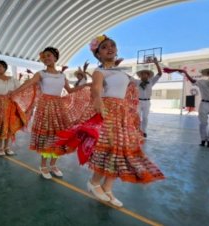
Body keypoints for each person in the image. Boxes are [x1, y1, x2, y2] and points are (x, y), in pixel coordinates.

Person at [68, 35, 164, 207]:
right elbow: (96, 88)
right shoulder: (100, 71)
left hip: (123, 114)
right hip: (108, 111)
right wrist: (97, 100)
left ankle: (108, 187)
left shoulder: (123, 73)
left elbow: (134, 88)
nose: (110, 48)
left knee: (122, 150)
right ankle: (94, 182)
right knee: (110, 148)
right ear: (98, 54)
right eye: (104, 47)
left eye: (112, 45)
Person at [11, 47, 90, 179]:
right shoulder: (41, 74)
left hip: (59, 107)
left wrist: (87, 85)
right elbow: (29, 83)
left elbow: (70, 91)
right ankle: (43, 165)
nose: (47, 58)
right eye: (44, 56)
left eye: (49, 55)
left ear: (55, 57)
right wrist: (15, 92)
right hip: (45, 107)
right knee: (47, 137)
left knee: (58, 136)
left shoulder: (62, 75)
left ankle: (53, 164)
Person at [176, 66, 209, 148]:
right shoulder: (203, 82)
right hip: (204, 104)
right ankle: (203, 139)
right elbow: (193, 81)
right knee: (203, 123)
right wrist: (185, 73)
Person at [134, 57, 162, 137]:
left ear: (148, 75)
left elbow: (159, 74)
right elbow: (129, 78)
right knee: (138, 117)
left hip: (147, 102)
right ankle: (137, 130)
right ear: (140, 76)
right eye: (142, 74)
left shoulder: (151, 82)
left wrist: (156, 63)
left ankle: (143, 131)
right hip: (138, 102)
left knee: (145, 117)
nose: (144, 75)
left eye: (146, 73)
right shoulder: (137, 82)